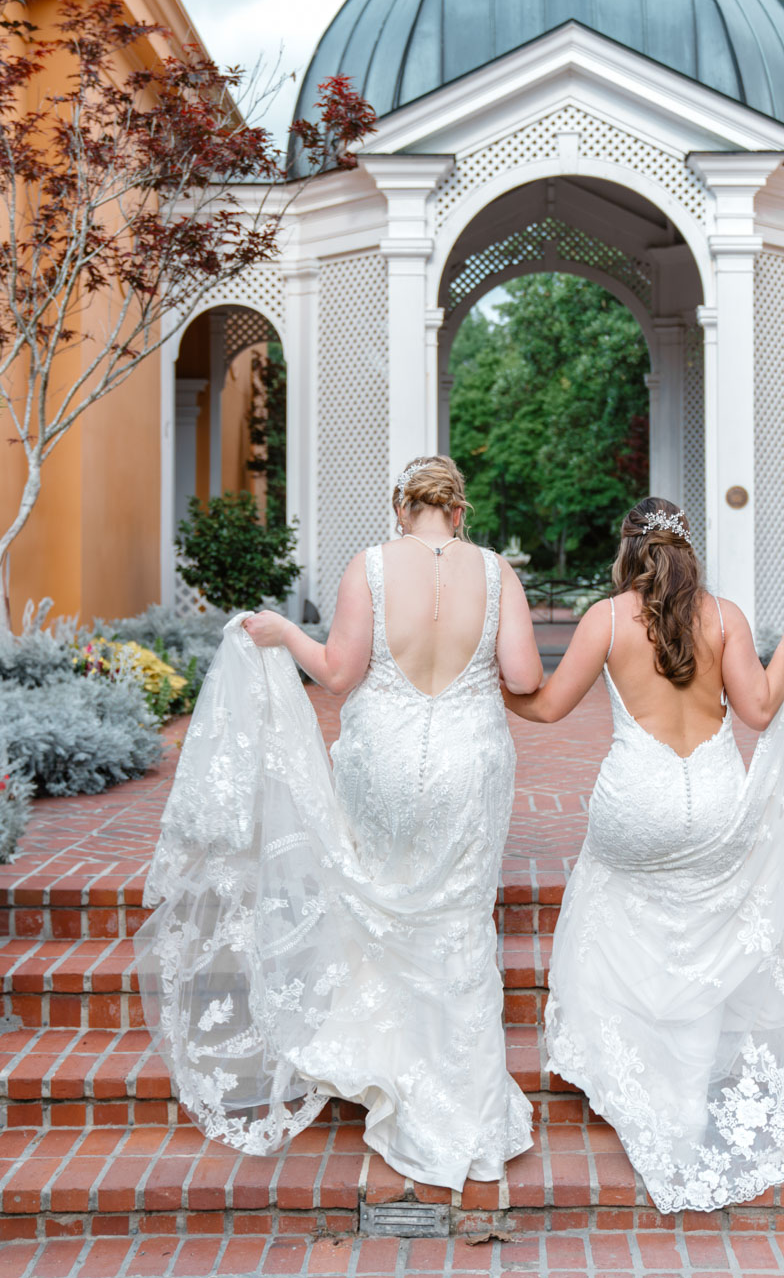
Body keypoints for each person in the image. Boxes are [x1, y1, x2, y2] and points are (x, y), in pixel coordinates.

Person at [136, 455, 542, 1190]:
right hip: (468, 763)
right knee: (455, 924)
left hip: (382, 761)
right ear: (459, 511)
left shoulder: (371, 566)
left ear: (400, 509)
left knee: (381, 907)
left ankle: (385, 1066)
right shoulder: (497, 572)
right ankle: (466, 1107)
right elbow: (522, 677)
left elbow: (338, 672)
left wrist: (283, 634)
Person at [502, 496, 784, 1214]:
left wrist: (489, 693)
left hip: (634, 803)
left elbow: (548, 707)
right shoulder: (726, 617)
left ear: (626, 552)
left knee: (615, 916)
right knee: (704, 936)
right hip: (714, 801)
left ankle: (639, 1079)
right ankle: (683, 1095)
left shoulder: (607, 618)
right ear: (689, 549)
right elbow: (761, 711)